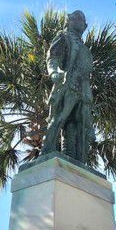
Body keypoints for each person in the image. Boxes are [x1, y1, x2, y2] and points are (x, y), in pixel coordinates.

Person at [41, 10, 95, 163]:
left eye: (82, 20)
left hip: (83, 91)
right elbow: (53, 58)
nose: (80, 22)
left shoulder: (85, 49)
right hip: (67, 84)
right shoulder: (63, 37)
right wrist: (53, 72)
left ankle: (76, 159)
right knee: (58, 120)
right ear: (69, 21)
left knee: (77, 127)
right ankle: (45, 153)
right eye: (77, 18)